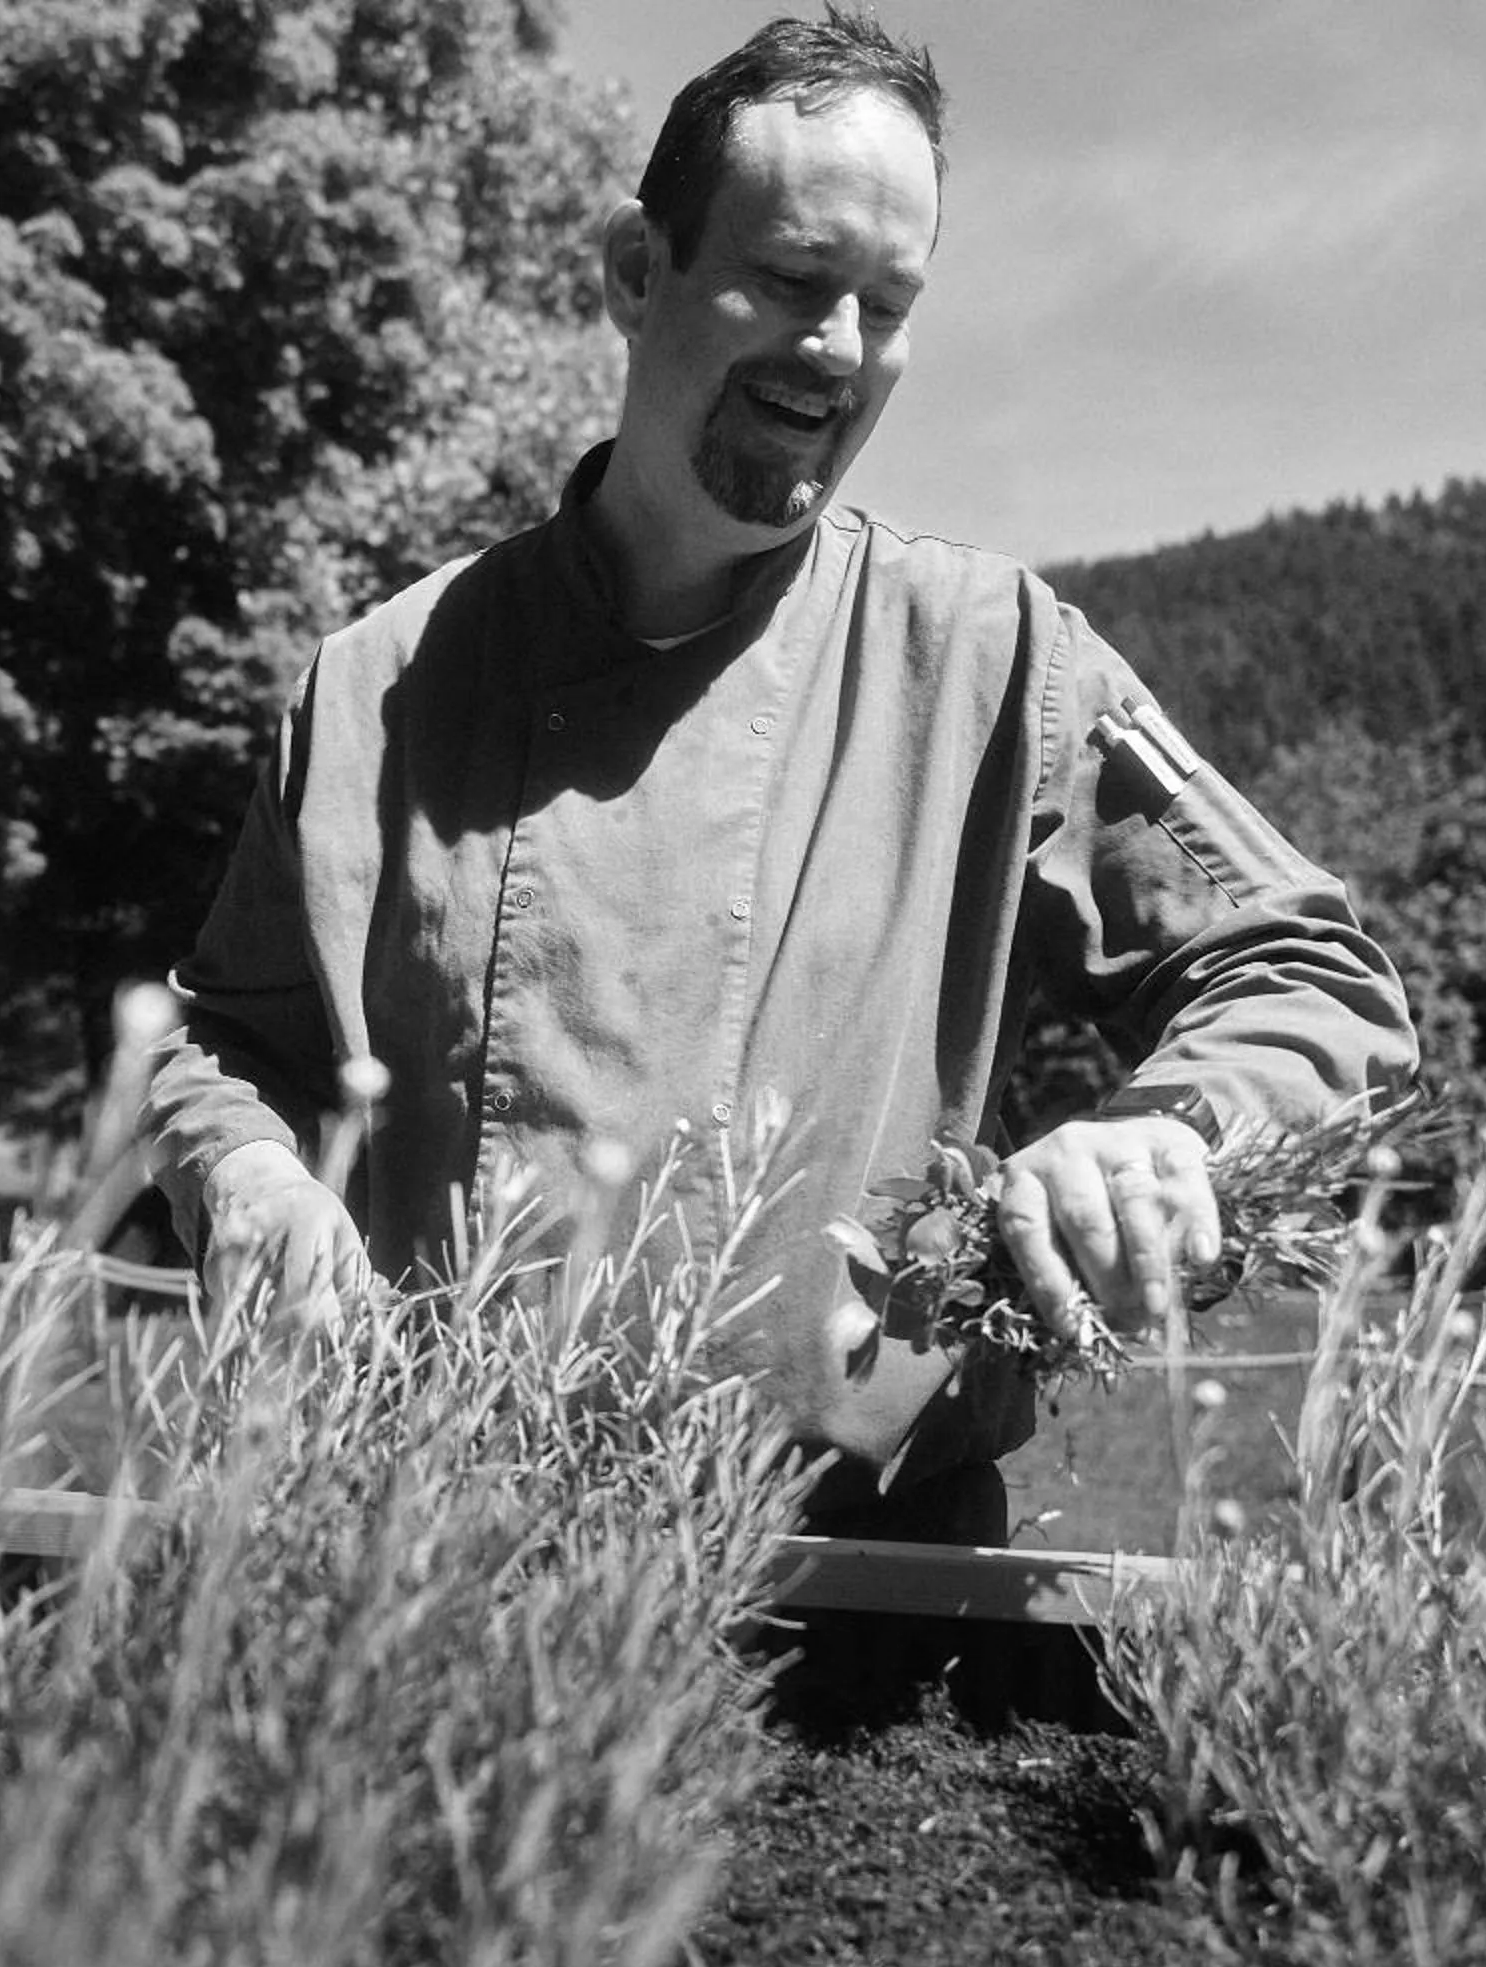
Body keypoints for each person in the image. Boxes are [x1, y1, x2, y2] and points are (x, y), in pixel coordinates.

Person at [141, 6, 1414, 1542]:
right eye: (798, 281)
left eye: (888, 305)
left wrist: (1175, 1125)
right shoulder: (372, 689)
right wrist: (250, 1179)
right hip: (420, 1569)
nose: (840, 352)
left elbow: (1305, 968)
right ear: (634, 269)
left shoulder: (996, 655)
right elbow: (227, 1039)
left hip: (858, 1591)